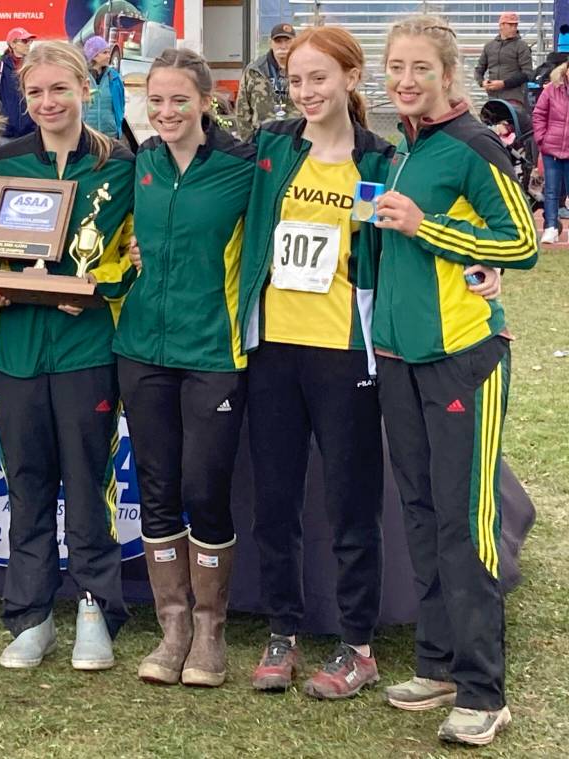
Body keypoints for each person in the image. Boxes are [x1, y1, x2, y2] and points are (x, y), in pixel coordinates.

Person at [374, 16, 537, 747]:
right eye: (395, 67)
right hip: (400, 360)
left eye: (420, 68)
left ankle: (483, 691)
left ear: (448, 74)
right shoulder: (406, 147)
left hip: (462, 359)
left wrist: (426, 226)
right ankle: (437, 664)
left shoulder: (473, 144)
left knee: (465, 523)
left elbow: (521, 242)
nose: (406, 80)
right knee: (420, 512)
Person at [236, 24, 398, 700]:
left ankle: (358, 645)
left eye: (319, 79)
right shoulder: (272, 145)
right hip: (274, 348)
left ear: (351, 78)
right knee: (275, 498)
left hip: (345, 351)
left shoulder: (382, 160)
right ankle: (283, 630)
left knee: (350, 503)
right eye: (296, 79)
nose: (305, 91)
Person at [0, 40, 135, 671]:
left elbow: (135, 258)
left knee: (89, 481)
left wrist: (98, 289)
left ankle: (96, 609)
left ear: (83, 90)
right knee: (27, 484)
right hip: (17, 351)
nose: (48, 102)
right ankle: (31, 616)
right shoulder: (3, 163)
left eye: (59, 89)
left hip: (86, 350)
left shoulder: (119, 163)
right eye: (36, 92)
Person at [112, 48, 254, 688]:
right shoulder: (140, 162)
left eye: (179, 100)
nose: (166, 112)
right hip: (141, 348)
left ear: (205, 101)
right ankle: (173, 630)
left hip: (213, 353)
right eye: (156, 100)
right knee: (157, 486)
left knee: (204, 488)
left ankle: (210, 630)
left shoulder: (242, 166)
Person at [235, 23, 301, 141]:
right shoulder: (255, 70)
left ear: (295, 43)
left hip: (296, 139)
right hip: (263, 140)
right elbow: (242, 110)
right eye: (278, 41)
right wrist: (249, 144)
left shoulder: (304, 69)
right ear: (271, 43)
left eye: (287, 41)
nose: (283, 46)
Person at [532, 62, 569, 244]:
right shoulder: (551, 90)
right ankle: (551, 227)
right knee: (551, 190)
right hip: (551, 149)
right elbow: (539, 114)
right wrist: (542, 139)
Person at [0, 27, 37, 143]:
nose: (28, 45)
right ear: (13, 44)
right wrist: (0, 116)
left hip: (31, 130)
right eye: (24, 41)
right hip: (6, 131)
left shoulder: (34, 65)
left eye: (30, 41)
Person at [474, 12, 534, 106]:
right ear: (501, 25)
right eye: (510, 25)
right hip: (492, 97)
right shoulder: (489, 46)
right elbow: (479, 69)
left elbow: (527, 73)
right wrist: (482, 82)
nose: (514, 28)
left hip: (514, 98)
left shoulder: (521, 46)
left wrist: (504, 84)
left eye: (515, 25)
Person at [81, 35, 125, 139]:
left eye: (109, 52)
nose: (109, 56)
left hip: (110, 136)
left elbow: (121, 104)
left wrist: (117, 125)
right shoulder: (81, 78)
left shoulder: (114, 77)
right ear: (94, 56)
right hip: (87, 136)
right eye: (105, 53)